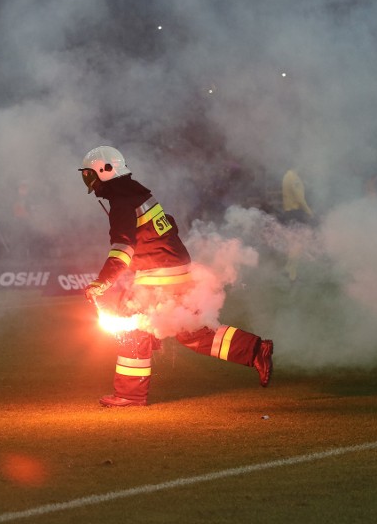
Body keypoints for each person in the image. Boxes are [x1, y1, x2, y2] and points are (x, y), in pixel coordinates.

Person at [79, 146, 274, 407]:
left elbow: (123, 247)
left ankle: (129, 394)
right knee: (191, 330)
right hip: (176, 271)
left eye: (90, 175)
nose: (88, 182)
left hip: (158, 277)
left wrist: (103, 281)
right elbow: (169, 224)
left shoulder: (122, 201)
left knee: (134, 328)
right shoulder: (137, 194)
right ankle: (255, 350)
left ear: (105, 171)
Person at [280, 167, 314, 283]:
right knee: (298, 244)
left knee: (293, 243)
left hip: (289, 213)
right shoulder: (294, 178)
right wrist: (308, 210)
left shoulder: (286, 175)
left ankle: (287, 269)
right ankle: (293, 276)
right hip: (296, 213)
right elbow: (300, 198)